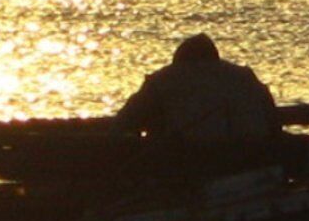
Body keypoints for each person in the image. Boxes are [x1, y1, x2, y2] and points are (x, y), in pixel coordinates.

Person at [116, 32, 280, 145]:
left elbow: (124, 122)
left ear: (178, 61)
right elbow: (273, 122)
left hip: (186, 164)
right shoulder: (245, 77)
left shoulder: (162, 80)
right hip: (252, 161)